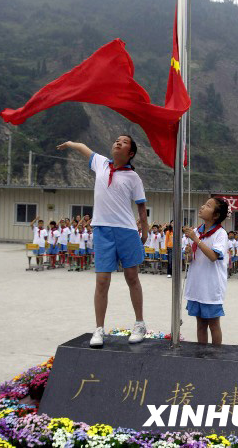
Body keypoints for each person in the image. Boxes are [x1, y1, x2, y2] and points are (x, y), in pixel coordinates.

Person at [57, 135, 148, 347]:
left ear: (131, 153)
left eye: (124, 142)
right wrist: (70, 143)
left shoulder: (133, 177)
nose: (118, 142)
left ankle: (140, 324)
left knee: (132, 277)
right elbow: (82, 146)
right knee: (102, 280)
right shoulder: (101, 163)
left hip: (126, 231)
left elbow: (141, 207)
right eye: (117, 140)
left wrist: (144, 231)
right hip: (102, 230)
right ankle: (99, 329)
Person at [184, 198, 228, 346]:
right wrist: (188, 253)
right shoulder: (196, 231)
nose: (202, 207)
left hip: (211, 287)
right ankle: (201, 355)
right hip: (197, 285)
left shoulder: (220, 234)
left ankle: (215, 357)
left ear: (215, 215)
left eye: (208, 206)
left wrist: (196, 240)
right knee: (200, 324)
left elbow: (213, 256)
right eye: (204, 204)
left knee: (213, 324)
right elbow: (191, 259)